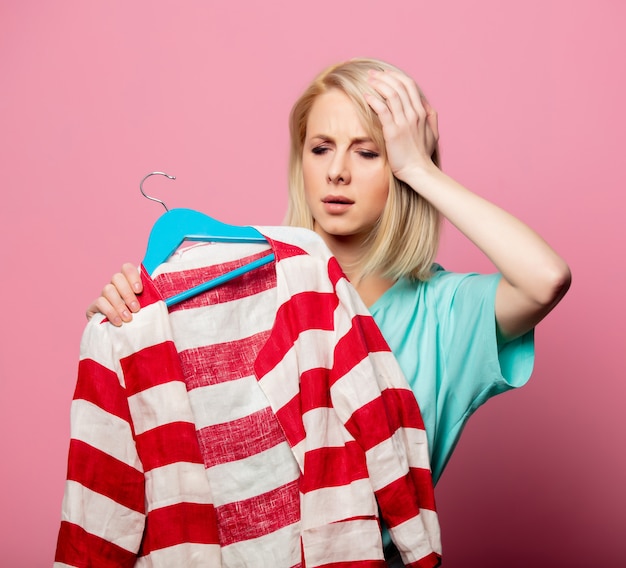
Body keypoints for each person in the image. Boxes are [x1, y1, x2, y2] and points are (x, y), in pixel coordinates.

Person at [86, 58, 571, 565]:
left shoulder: (447, 315)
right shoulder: (244, 286)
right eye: (321, 149)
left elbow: (546, 278)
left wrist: (418, 167)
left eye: (367, 152)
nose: (337, 170)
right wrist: (127, 320)